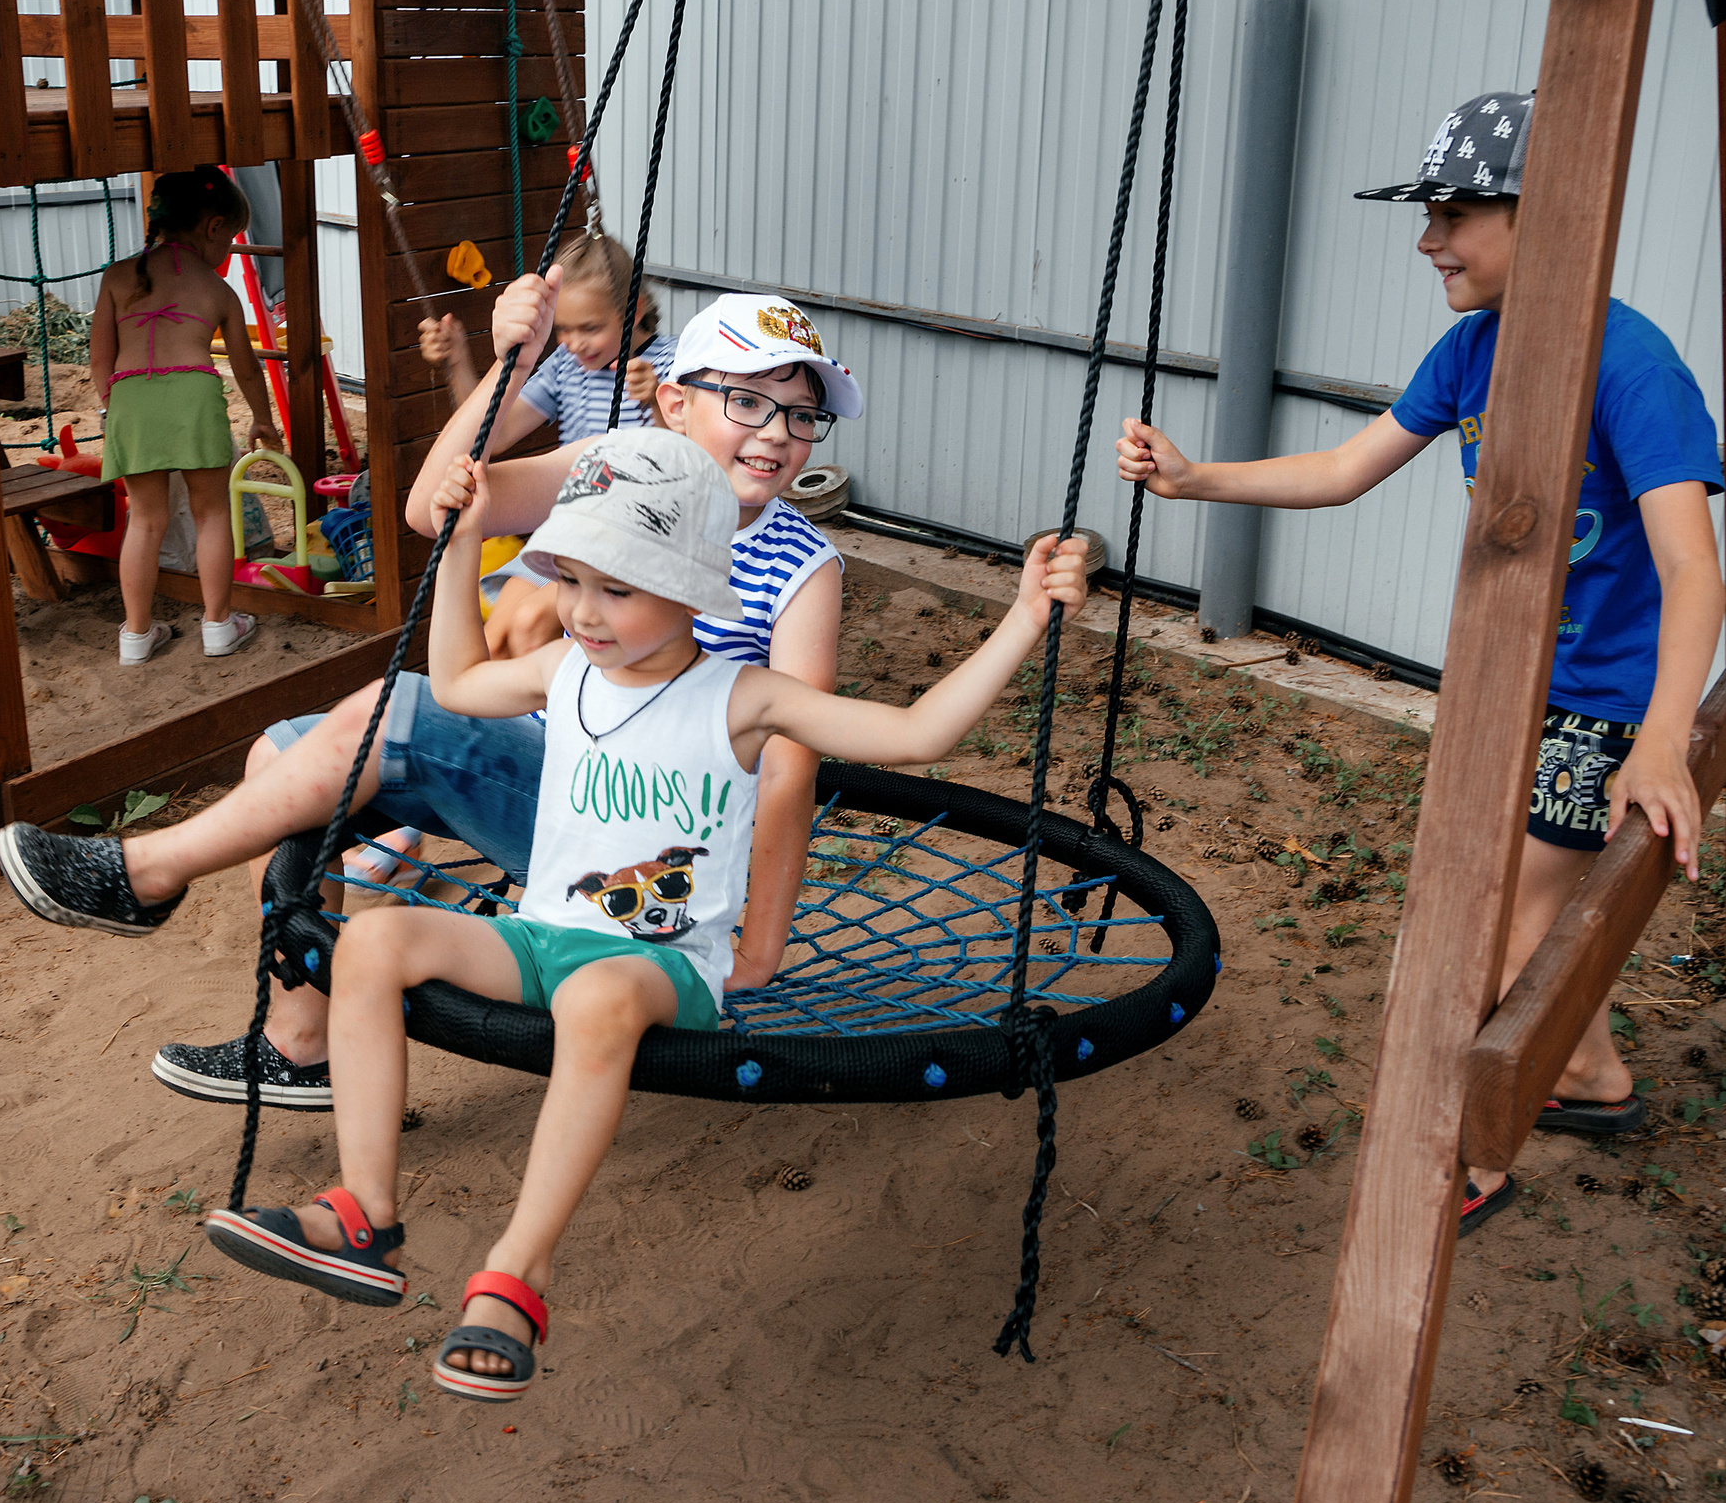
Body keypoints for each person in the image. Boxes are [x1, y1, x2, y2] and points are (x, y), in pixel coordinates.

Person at [199, 427, 1090, 1403]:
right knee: (372, 940)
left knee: (594, 1000)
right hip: (542, 936)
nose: (583, 611)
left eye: (616, 589)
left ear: (696, 590)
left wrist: (1024, 616)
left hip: (663, 973)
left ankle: (516, 1276)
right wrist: (457, 549)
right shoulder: (562, 671)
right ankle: (365, 1212)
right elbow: (453, 683)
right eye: (572, 580)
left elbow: (918, 733)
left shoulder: (740, 699)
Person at [0, 288, 862, 1113]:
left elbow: (790, 764)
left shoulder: (801, 567)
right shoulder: (612, 471)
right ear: (673, 403)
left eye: (801, 415)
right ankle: (299, 1048)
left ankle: (150, 871)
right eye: (746, 402)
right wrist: (509, 366)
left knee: (400, 713)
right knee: (280, 754)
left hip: (643, 829)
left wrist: (763, 942)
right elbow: (433, 507)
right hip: (544, 774)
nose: (776, 434)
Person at [1116, 89, 1724, 1236]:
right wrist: (1195, 480)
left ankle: (1462, 1158)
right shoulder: (1471, 348)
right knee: (1515, 909)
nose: (1425, 238)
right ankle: (1590, 1076)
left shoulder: (1632, 366)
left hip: (1604, 700)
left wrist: (1659, 740)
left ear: (1550, 217)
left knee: (1478, 933)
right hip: (1514, 681)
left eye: (1451, 212)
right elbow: (1347, 468)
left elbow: (1695, 570)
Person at [416, 230, 672, 662]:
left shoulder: (668, 363)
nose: (573, 344)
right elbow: (493, 435)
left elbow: (688, 464)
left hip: (628, 542)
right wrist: (459, 361)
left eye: (590, 328)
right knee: (496, 640)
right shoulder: (566, 367)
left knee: (530, 627)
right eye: (563, 331)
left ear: (635, 309)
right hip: (564, 536)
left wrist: (656, 401)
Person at [87, 167, 281, 666]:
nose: (231, 251)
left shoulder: (116, 276)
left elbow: (99, 360)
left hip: (130, 398)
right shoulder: (217, 291)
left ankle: (135, 635)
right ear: (213, 227)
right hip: (194, 395)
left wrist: (118, 410)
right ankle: (218, 626)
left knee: (145, 520)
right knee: (212, 512)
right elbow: (246, 368)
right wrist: (263, 419)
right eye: (232, 239)